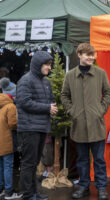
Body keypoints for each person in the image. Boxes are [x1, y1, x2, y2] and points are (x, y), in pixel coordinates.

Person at [61, 43, 110, 200]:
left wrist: (100, 110)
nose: (91, 57)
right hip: (79, 125)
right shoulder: (70, 75)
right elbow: (64, 95)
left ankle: (102, 187)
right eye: (88, 54)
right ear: (79, 55)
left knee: (99, 160)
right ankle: (83, 186)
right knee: (82, 159)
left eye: (93, 54)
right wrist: (73, 112)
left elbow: (108, 93)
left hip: (96, 125)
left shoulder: (100, 73)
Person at [16, 51, 57, 200]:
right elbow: (24, 102)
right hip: (29, 128)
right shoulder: (25, 80)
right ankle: (28, 195)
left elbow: (50, 100)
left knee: (34, 162)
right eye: (46, 64)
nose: (49, 68)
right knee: (28, 163)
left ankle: (34, 193)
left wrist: (53, 107)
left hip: (41, 127)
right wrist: (47, 108)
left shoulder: (46, 82)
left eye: (50, 65)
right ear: (38, 64)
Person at [0, 93, 22, 199]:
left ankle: (1, 189)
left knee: (1, 166)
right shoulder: (11, 106)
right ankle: (9, 192)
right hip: (8, 141)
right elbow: (13, 124)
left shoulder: (1, 106)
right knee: (8, 166)